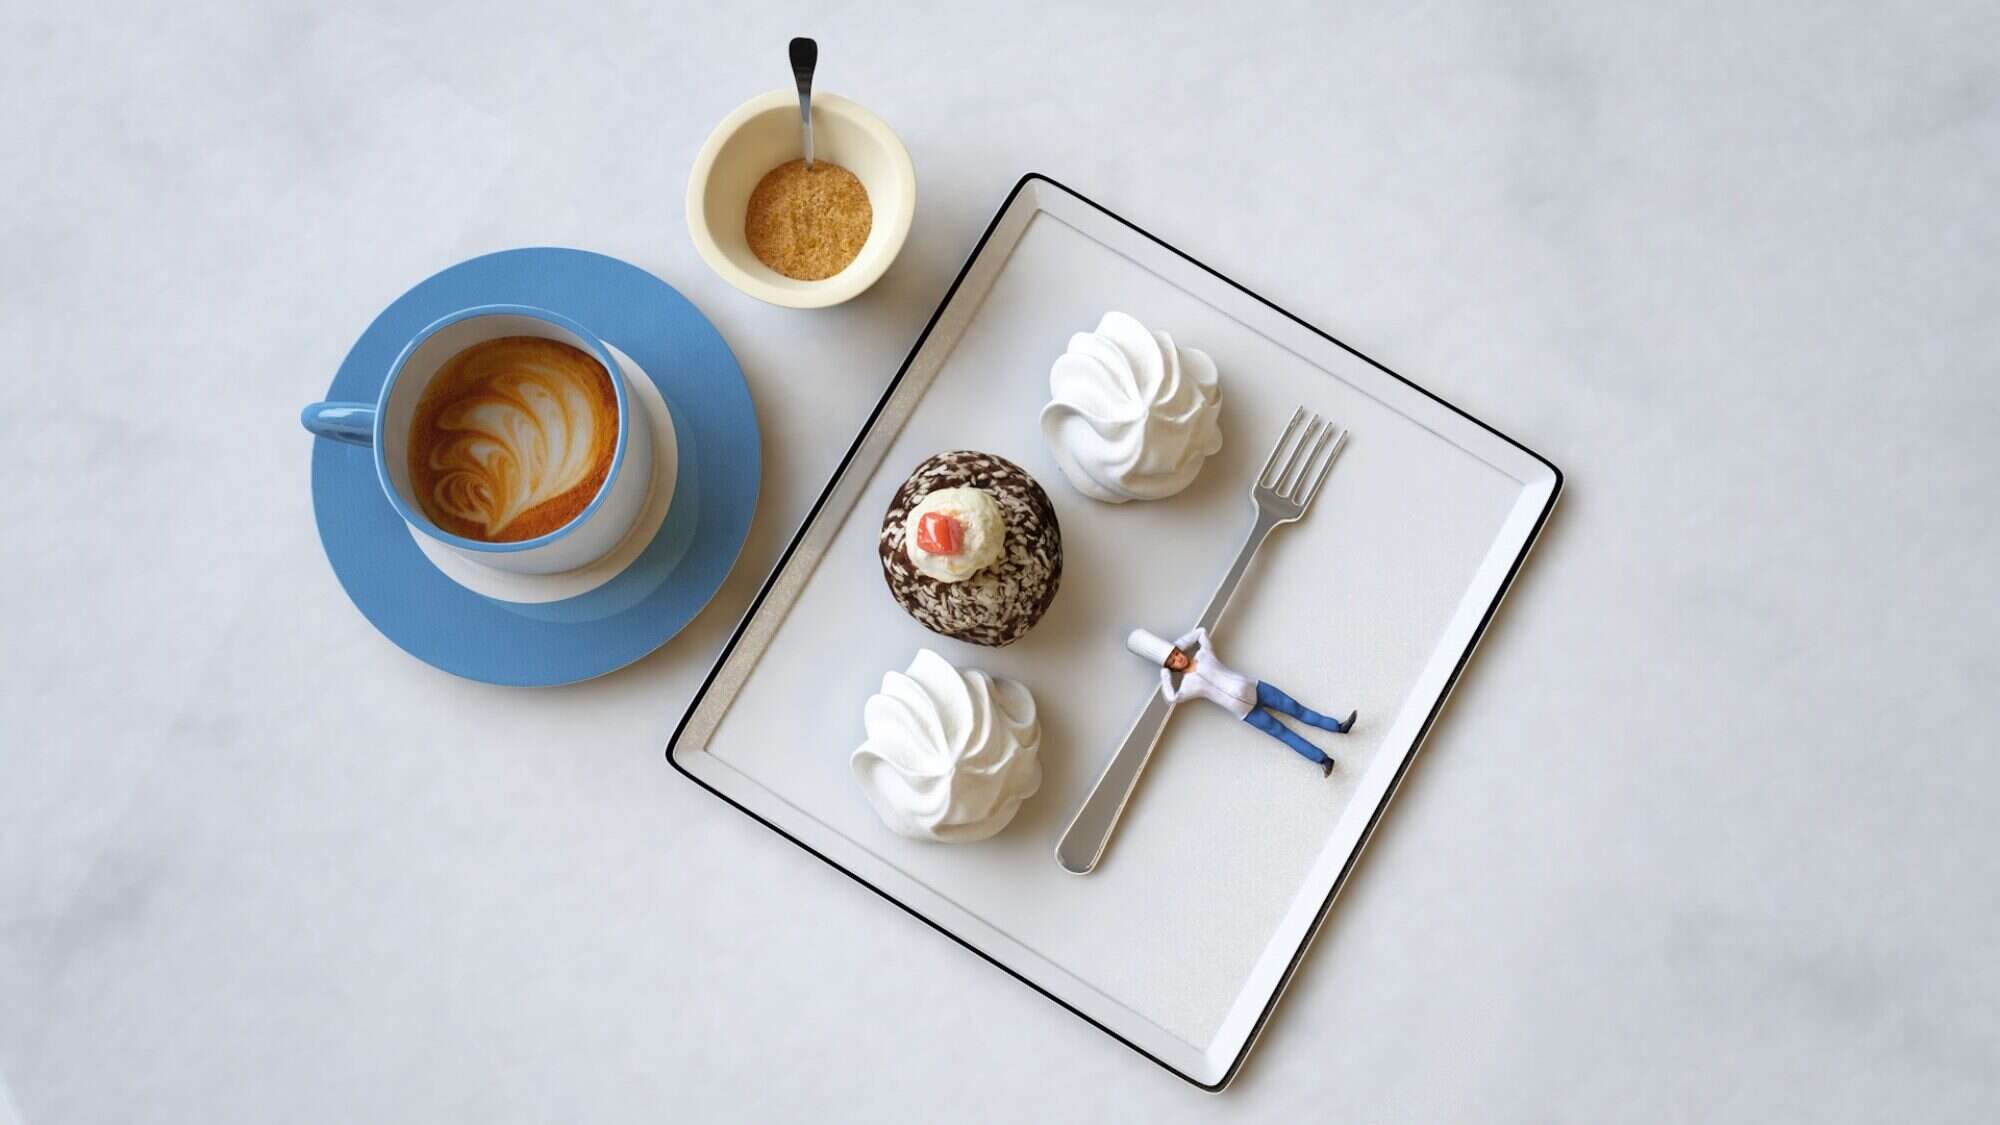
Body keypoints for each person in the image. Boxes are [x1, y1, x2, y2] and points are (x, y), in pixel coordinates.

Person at [1127, 626, 1355, 777]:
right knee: (1284, 734)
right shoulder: (1187, 686)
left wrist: (1176, 644)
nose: (1179, 658)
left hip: (1255, 687)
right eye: (1173, 661)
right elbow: (1171, 697)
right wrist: (1164, 673)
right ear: (1170, 667)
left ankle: (1338, 727)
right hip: (1245, 711)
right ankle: (1323, 760)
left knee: (1298, 710)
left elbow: (1200, 632)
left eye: (1177, 653)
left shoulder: (1203, 655)